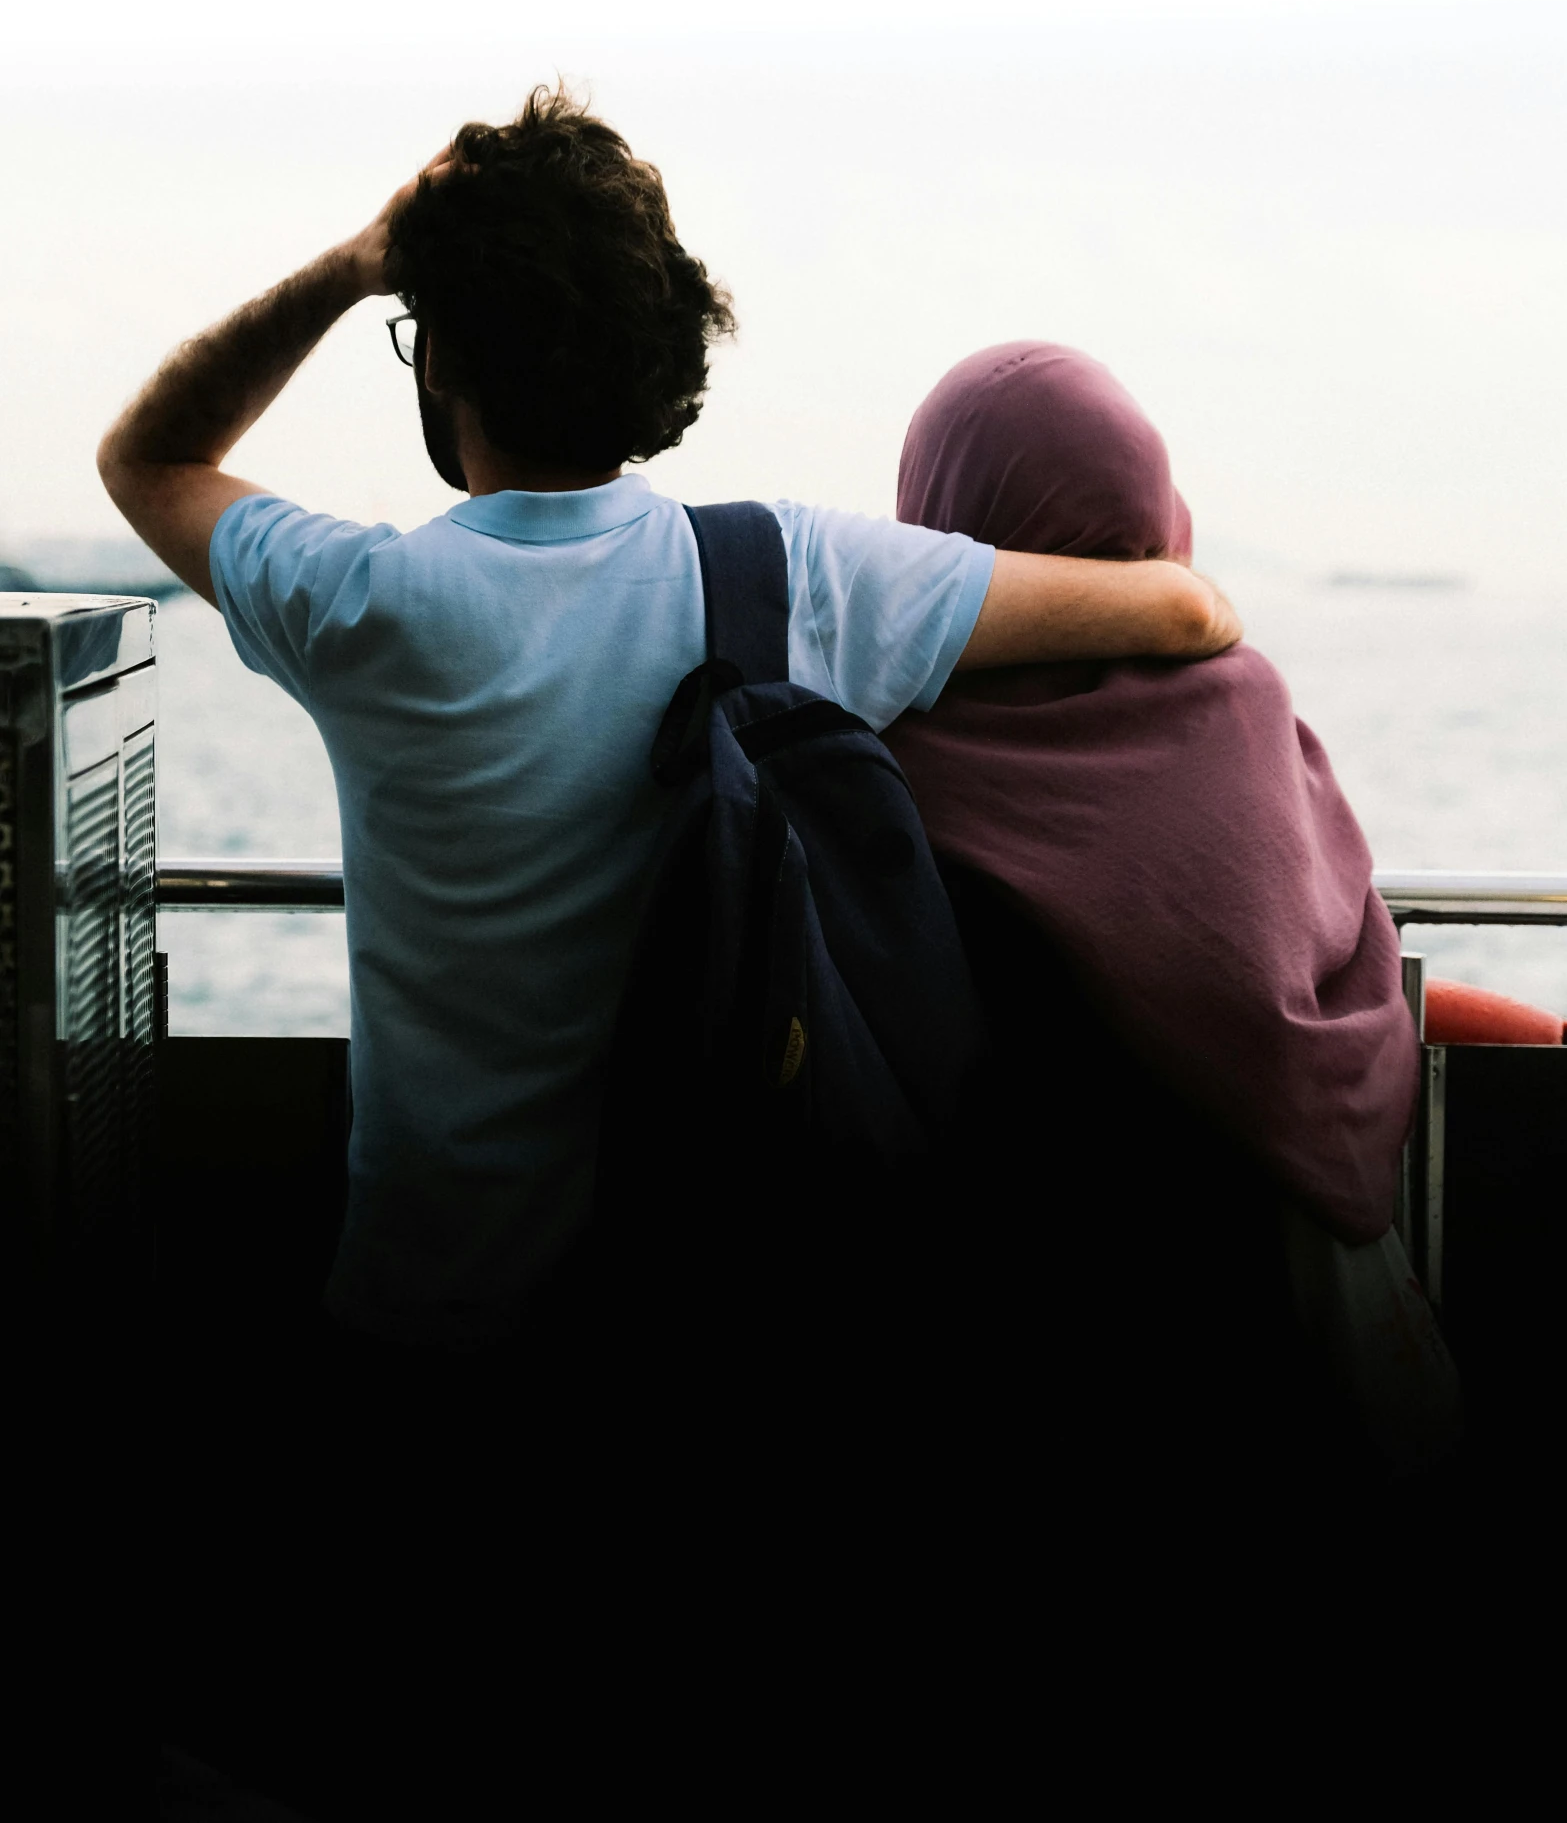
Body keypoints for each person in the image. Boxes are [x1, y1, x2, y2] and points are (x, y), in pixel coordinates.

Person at [99, 88, 1241, 1357]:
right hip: (715, 1314)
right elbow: (1185, 614)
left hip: (426, 1318)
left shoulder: (365, 606)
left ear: (445, 367)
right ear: (653, 355)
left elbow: (147, 457)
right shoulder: (791, 573)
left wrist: (359, 266)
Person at [884, 340, 1458, 1479]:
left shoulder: (886, 742)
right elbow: (1313, 965)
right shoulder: (1238, 715)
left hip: (987, 1331)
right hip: (1253, 1333)